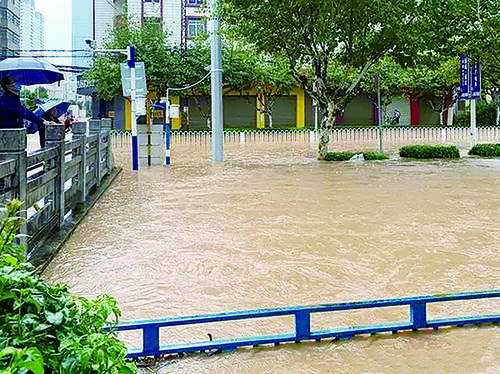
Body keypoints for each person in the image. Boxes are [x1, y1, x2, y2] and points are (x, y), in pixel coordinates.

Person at [0, 75, 50, 144]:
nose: (17, 83)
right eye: (14, 82)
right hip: (8, 134)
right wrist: (41, 121)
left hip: (13, 133)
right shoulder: (7, 100)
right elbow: (23, 112)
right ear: (8, 86)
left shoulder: (13, 99)